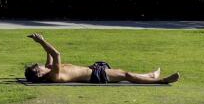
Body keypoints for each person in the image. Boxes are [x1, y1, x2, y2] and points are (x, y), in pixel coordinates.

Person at [22, 33, 178, 85]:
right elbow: (56, 55)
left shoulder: (49, 69)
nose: (41, 65)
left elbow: (49, 56)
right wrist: (42, 41)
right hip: (96, 76)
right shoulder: (54, 75)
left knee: (125, 73)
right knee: (126, 75)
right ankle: (160, 81)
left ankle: (151, 76)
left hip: (94, 70)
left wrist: (42, 41)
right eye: (39, 67)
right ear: (40, 74)